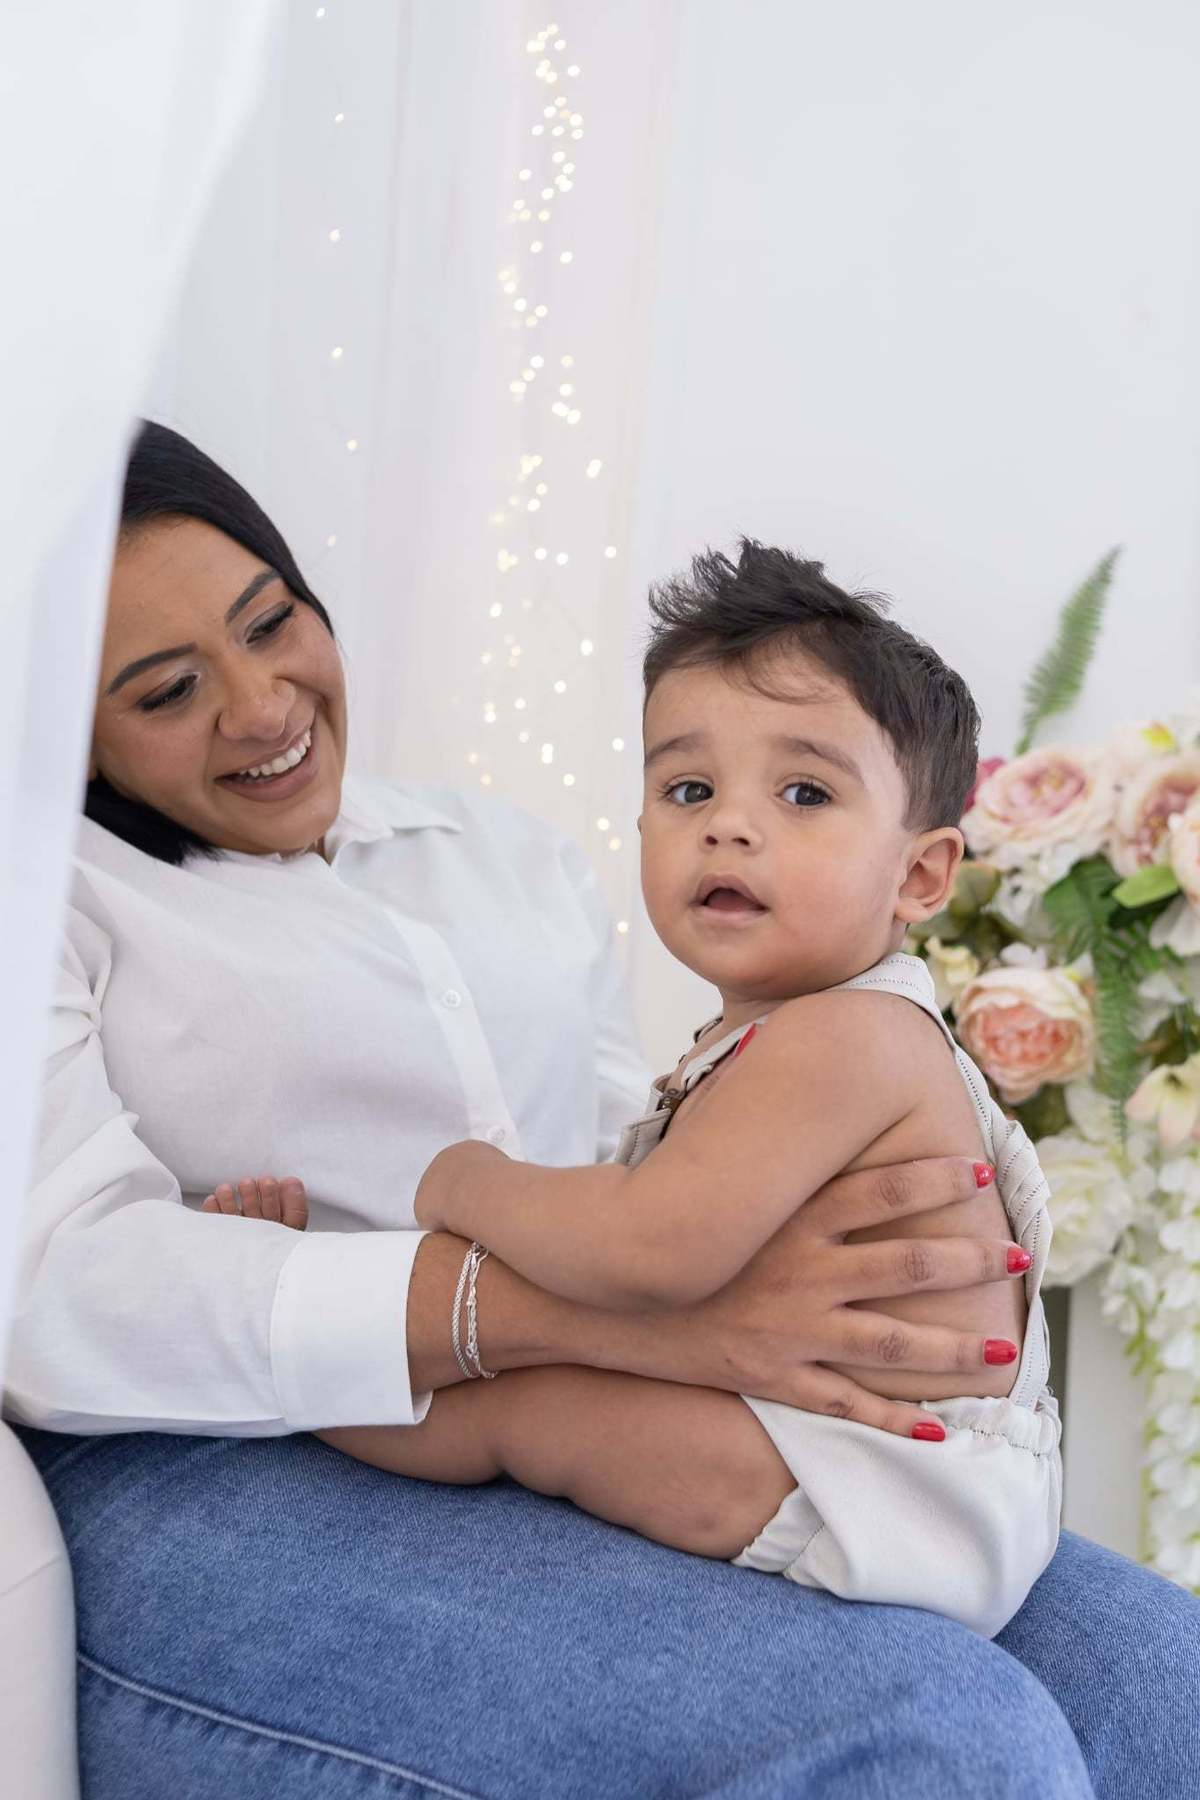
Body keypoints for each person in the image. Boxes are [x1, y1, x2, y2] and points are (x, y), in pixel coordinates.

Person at [9, 422, 1199, 1798]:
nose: (262, 704)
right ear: (64, 731)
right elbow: (49, 1287)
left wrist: (740, 1264)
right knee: (937, 1739)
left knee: (1164, 1683)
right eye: (167, 691)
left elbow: (634, 1160)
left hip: (696, 1398)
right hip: (223, 1444)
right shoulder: (53, 898)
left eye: (272, 621)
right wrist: (612, 1313)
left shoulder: (499, 856)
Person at [207, 540, 1059, 1640]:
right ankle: (309, 1323)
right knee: (547, 1365)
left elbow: (648, 1250)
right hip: (868, 1458)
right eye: (688, 788)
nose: (729, 824)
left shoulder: (849, 1036)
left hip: (880, 1478)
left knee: (531, 1410)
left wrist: (463, 1180)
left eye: (805, 792)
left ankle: (307, 1389)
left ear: (922, 874)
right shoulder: (783, 1035)